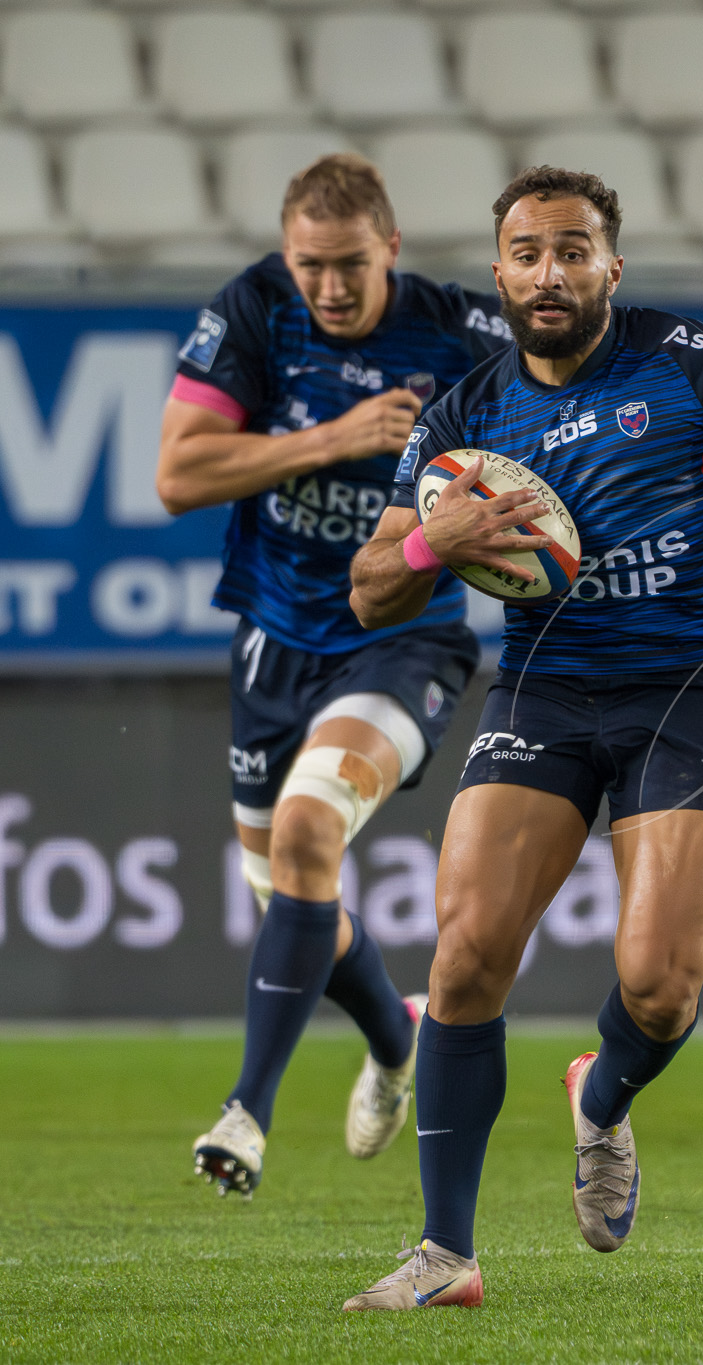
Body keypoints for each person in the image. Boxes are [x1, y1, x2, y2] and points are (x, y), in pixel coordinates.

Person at [338, 167, 703, 1311]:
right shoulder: (464, 418)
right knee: (462, 959)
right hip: (541, 696)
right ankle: (446, 1255)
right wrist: (427, 547)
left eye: (573, 250)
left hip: (683, 691)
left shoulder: (691, 362)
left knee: (657, 988)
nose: (551, 273)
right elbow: (365, 592)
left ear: (611, 265)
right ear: (498, 273)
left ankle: (601, 1095)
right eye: (528, 253)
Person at [160, 153, 510, 1198]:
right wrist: (330, 440)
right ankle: (395, 1042)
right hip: (274, 640)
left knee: (310, 831)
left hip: (402, 639)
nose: (328, 286)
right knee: (291, 890)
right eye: (309, 264)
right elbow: (179, 472)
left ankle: (247, 1114)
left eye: (349, 264)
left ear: (390, 249)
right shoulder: (257, 311)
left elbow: (556, 432)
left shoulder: (457, 334)